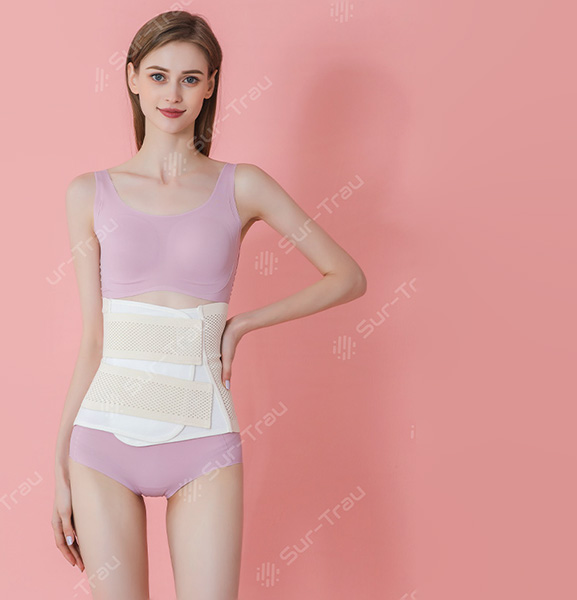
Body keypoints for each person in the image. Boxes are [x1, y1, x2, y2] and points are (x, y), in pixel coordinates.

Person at [51, 10, 367, 600]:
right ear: (132, 78)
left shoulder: (241, 184)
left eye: (190, 79)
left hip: (203, 438)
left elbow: (347, 277)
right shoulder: (88, 193)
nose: (173, 94)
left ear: (211, 86)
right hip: (102, 440)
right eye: (159, 75)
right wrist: (59, 466)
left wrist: (243, 324)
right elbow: (93, 339)